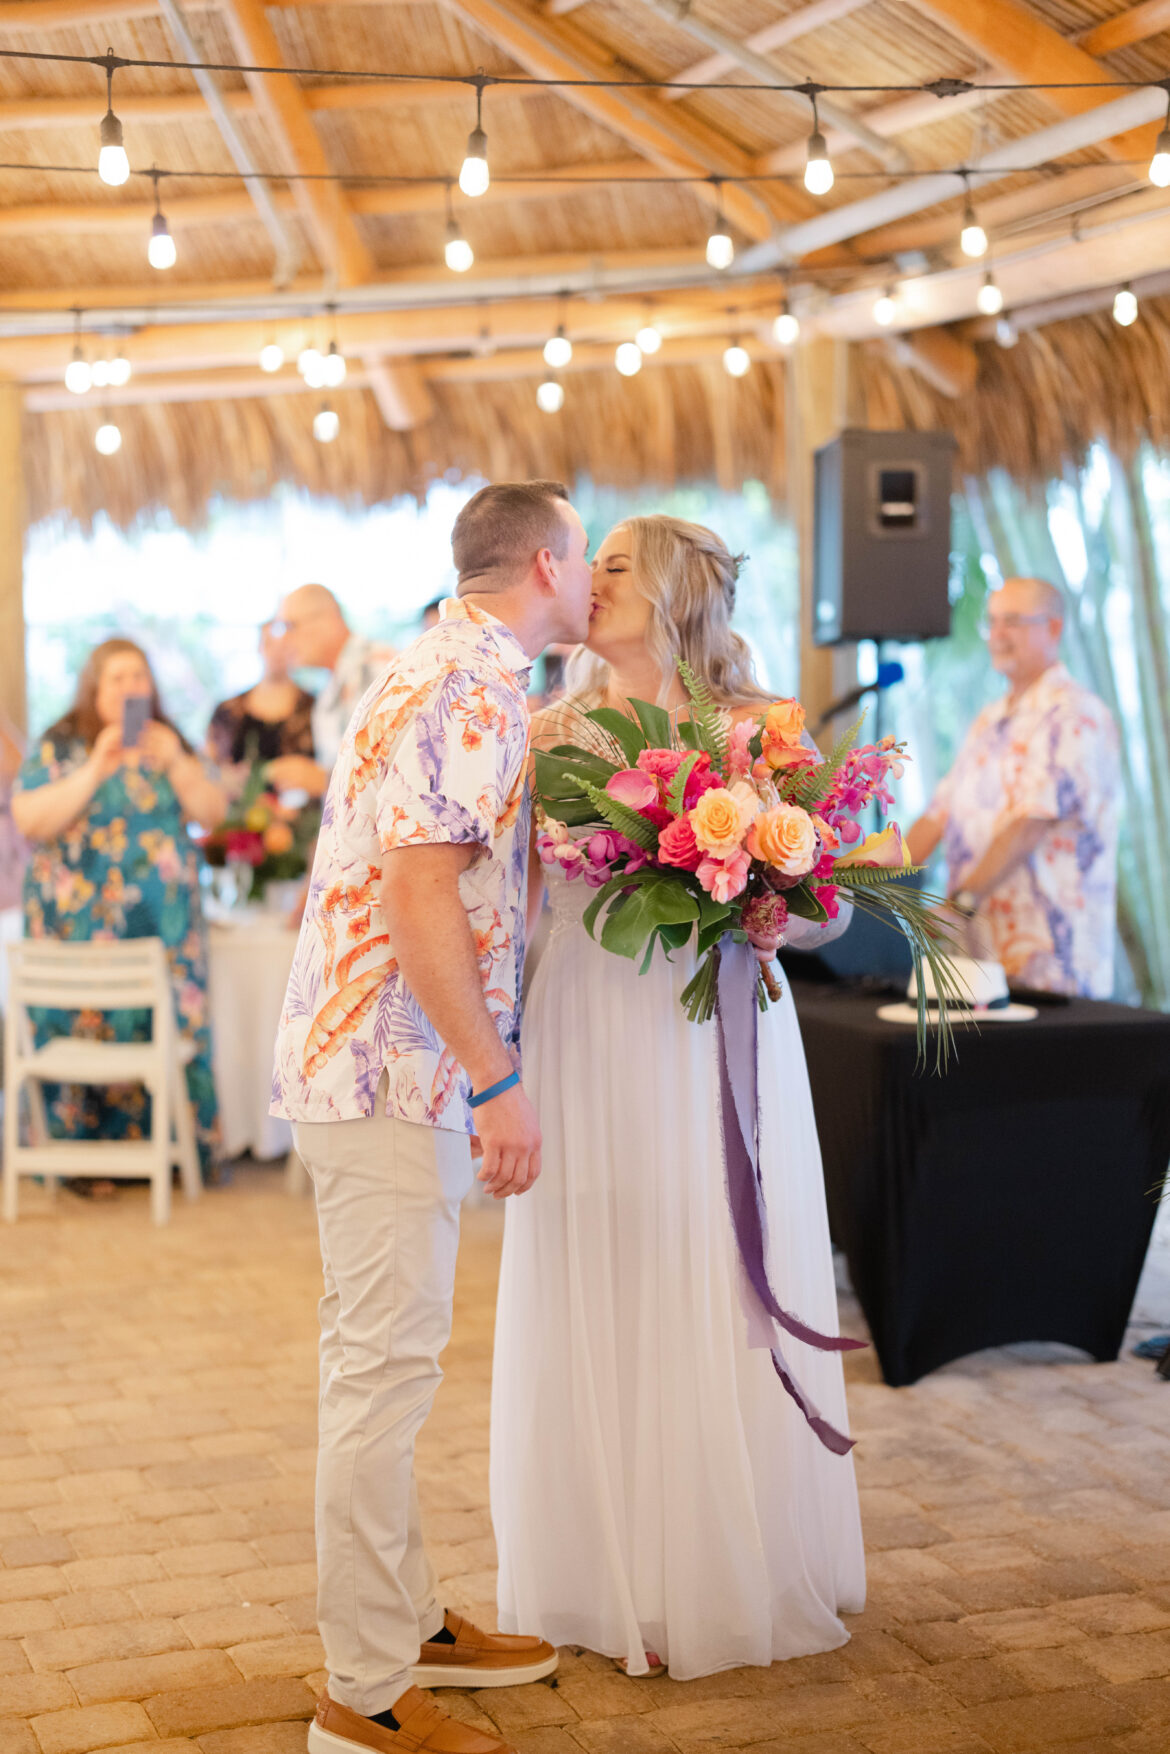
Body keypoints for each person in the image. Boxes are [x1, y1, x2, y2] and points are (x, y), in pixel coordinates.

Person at [490, 515, 866, 1682]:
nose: (586, 584)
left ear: (672, 592)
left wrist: (766, 893)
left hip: (711, 1025)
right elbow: (515, 909)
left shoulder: (760, 730)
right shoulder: (542, 730)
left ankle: (704, 1561)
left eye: (612, 567)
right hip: (584, 1028)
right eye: (586, 563)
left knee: (700, 1265)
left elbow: (834, 907)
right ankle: (601, 1565)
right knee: (599, 1263)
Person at [271, 482, 594, 1754]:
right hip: (389, 1073)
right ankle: (362, 1694)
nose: (588, 576)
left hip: (377, 1068)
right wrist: (497, 1076)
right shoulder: (470, 687)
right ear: (548, 561)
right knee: (382, 1374)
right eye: (582, 553)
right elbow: (419, 898)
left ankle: (409, 1619)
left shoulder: (455, 662)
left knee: (384, 1359)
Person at [11, 639, 226, 1176]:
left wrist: (177, 763)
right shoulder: (62, 744)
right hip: (75, 931)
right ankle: (79, 1160)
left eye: (139, 677)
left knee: (166, 1026)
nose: (132, 688)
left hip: (162, 931)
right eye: (118, 678)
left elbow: (213, 814)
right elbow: (30, 821)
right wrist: (96, 768)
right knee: (79, 1028)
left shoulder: (169, 742)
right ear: (94, 687)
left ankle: (176, 1154)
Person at [906, 576, 1120, 997]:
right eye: (993, 622)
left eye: (1014, 622)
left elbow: (1029, 825)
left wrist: (959, 906)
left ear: (1054, 628)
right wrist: (865, 888)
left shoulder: (1075, 715)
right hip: (981, 963)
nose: (998, 635)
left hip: (1051, 965)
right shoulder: (989, 719)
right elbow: (937, 816)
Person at [267, 585, 395, 798]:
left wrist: (322, 779)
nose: (282, 641)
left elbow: (401, 772)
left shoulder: (379, 669)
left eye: (289, 626)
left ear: (327, 621)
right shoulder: (329, 690)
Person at [207, 619, 315, 768]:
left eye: (284, 646)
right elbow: (210, 766)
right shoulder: (227, 711)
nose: (277, 653)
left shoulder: (314, 709)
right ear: (260, 646)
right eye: (270, 644)